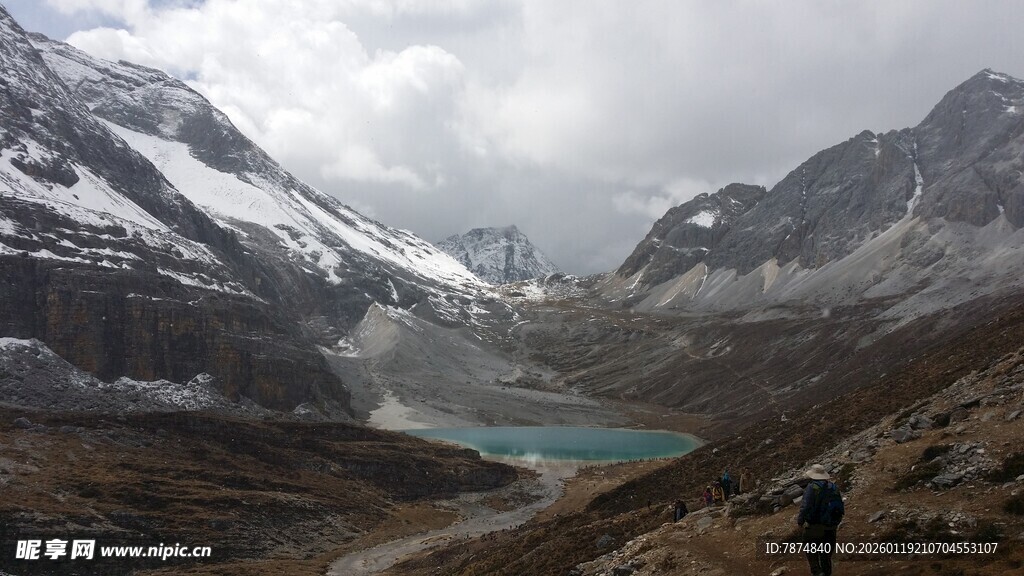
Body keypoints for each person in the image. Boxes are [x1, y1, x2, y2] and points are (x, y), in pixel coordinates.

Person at [796, 464, 845, 576]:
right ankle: (826, 573)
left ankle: (817, 572)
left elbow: (805, 506)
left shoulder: (812, 487)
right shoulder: (833, 487)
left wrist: (800, 521)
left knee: (810, 549)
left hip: (815, 525)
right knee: (825, 555)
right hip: (831, 526)